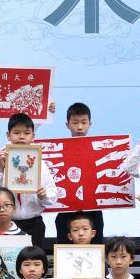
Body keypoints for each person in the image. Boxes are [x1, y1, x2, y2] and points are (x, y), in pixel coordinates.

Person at [0, 113, 58, 248]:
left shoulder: (41, 164)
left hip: (34, 225)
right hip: (6, 224)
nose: (21, 137)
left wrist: (44, 195)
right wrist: (0, 169)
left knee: (32, 260)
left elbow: (53, 194)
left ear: (33, 136)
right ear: (8, 135)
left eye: (26, 133)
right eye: (16, 133)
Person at [53, 102, 104, 243]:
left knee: (95, 250)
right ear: (67, 124)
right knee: (64, 251)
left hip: (93, 210)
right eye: (75, 122)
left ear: (90, 124)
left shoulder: (98, 149)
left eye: (84, 122)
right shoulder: (58, 150)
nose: (80, 127)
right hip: (66, 210)